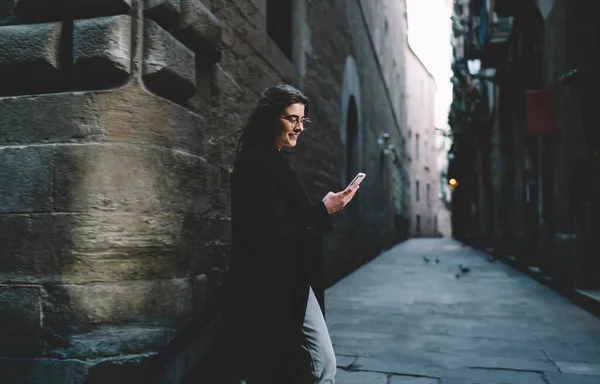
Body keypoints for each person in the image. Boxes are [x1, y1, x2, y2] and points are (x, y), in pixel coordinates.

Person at [219, 84, 360, 383]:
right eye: (292, 119)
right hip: (276, 282)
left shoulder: (269, 159)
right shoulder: (258, 161)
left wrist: (324, 209)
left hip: (289, 278)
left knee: (307, 367)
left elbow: (286, 219)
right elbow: (270, 229)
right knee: (321, 365)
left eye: (302, 120)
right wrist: (324, 209)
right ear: (271, 118)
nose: (299, 127)